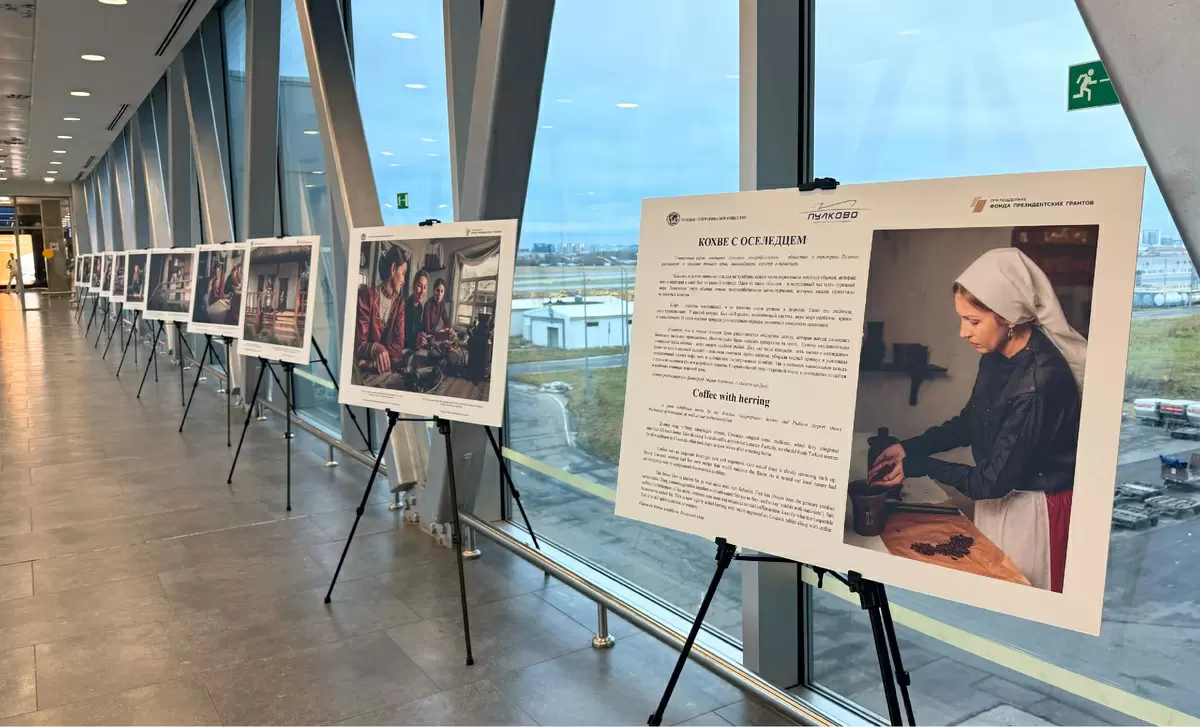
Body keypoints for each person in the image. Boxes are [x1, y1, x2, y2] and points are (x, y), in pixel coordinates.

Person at [869, 247, 1084, 592]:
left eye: (973, 321)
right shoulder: (997, 355)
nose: (963, 332)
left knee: (1019, 596)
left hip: (1031, 511)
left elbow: (990, 483)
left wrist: (919, 465)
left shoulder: (1038, 381)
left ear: (1008, 317)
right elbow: (970, 423)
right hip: (1000, 497)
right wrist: (907, 448)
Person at [354, 245, 409, 377]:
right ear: (393, 269)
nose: (404, 281)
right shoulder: (367, 296)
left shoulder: (400, 304)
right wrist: (375, 348)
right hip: (363, 370)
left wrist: (375, 359)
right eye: (403, 273)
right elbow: (359, 345)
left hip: (377, 366)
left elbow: (399, 345)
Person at [405, 269, 429, 350]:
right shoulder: (404, 305)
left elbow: (417, 331)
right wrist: (416, 338)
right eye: (419, 286)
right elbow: (404, 335)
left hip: (413, 348)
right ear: (413, 286)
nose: (422, 291)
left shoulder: (420, 308)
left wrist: (422, 338)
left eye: (425, 287)